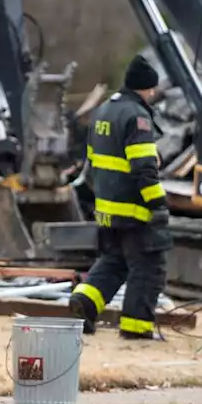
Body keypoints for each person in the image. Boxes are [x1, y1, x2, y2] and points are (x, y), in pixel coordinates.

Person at [69, 54, 172, 340]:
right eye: (152, 90)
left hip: (107, 206)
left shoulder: (103, 110)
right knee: (149, 267)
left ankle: (86, 302)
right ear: (147, 88)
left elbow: (91, 159)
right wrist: (158, 204)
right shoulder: (137, 117)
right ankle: (136, 328)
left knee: (114, 261)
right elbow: (143, 167)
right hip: (135, 209)